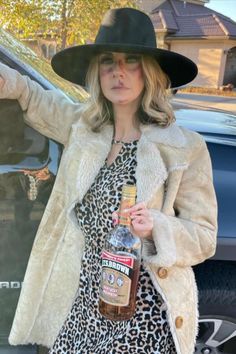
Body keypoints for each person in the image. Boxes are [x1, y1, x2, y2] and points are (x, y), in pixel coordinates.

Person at [0, 7, 217, 354]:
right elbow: (33, 95)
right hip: (82, 305)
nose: (118, 71)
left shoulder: (184, 148)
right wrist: (7, 80)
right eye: (107, 62)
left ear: (149, 73)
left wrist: (156, 227)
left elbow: (205, 237)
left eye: (131, 60)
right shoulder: (83, 127)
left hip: (141, 311)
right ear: (97, 72)